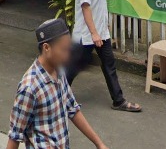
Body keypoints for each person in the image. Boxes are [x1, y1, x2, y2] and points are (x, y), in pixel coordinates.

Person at [7, 19, 108, 149]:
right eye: (63, 50)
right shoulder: (29, 87)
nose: (67, 56)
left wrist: (99, 144)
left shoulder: (59, 71)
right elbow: (15, 136)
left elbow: (73, 109)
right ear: (46, 48)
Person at [66, 0, 141, 112]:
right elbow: (85, 7)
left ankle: (118, 101)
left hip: (101, 32)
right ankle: (55, 97)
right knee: (74, 68)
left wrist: (102, 26)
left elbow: (97, 4)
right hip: (87, 34)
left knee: (109, 64)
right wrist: (94, 34)